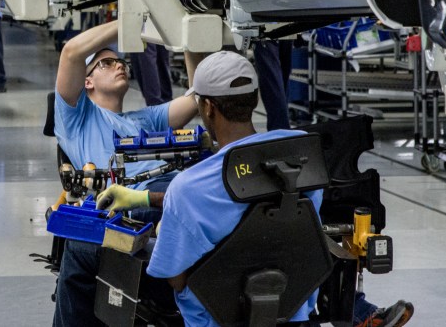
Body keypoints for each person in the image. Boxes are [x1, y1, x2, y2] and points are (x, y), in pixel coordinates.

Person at [102, 51, 414, 327]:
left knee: (100, 256)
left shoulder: (187, 189)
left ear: (208, 108)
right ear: (254, 98)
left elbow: (176, 278)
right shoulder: (301, 158)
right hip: (291, 310)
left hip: (213, 319)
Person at [52, 19, 201, 326]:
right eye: (106, 63)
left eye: (121, 61)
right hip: (133, 205)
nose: (119, 65)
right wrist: (132, 19)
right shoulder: (76, 118)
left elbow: (201, 95)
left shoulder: (146, 119)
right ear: (87, 81)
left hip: (175, 191)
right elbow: (71, 53)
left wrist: (190, 33)